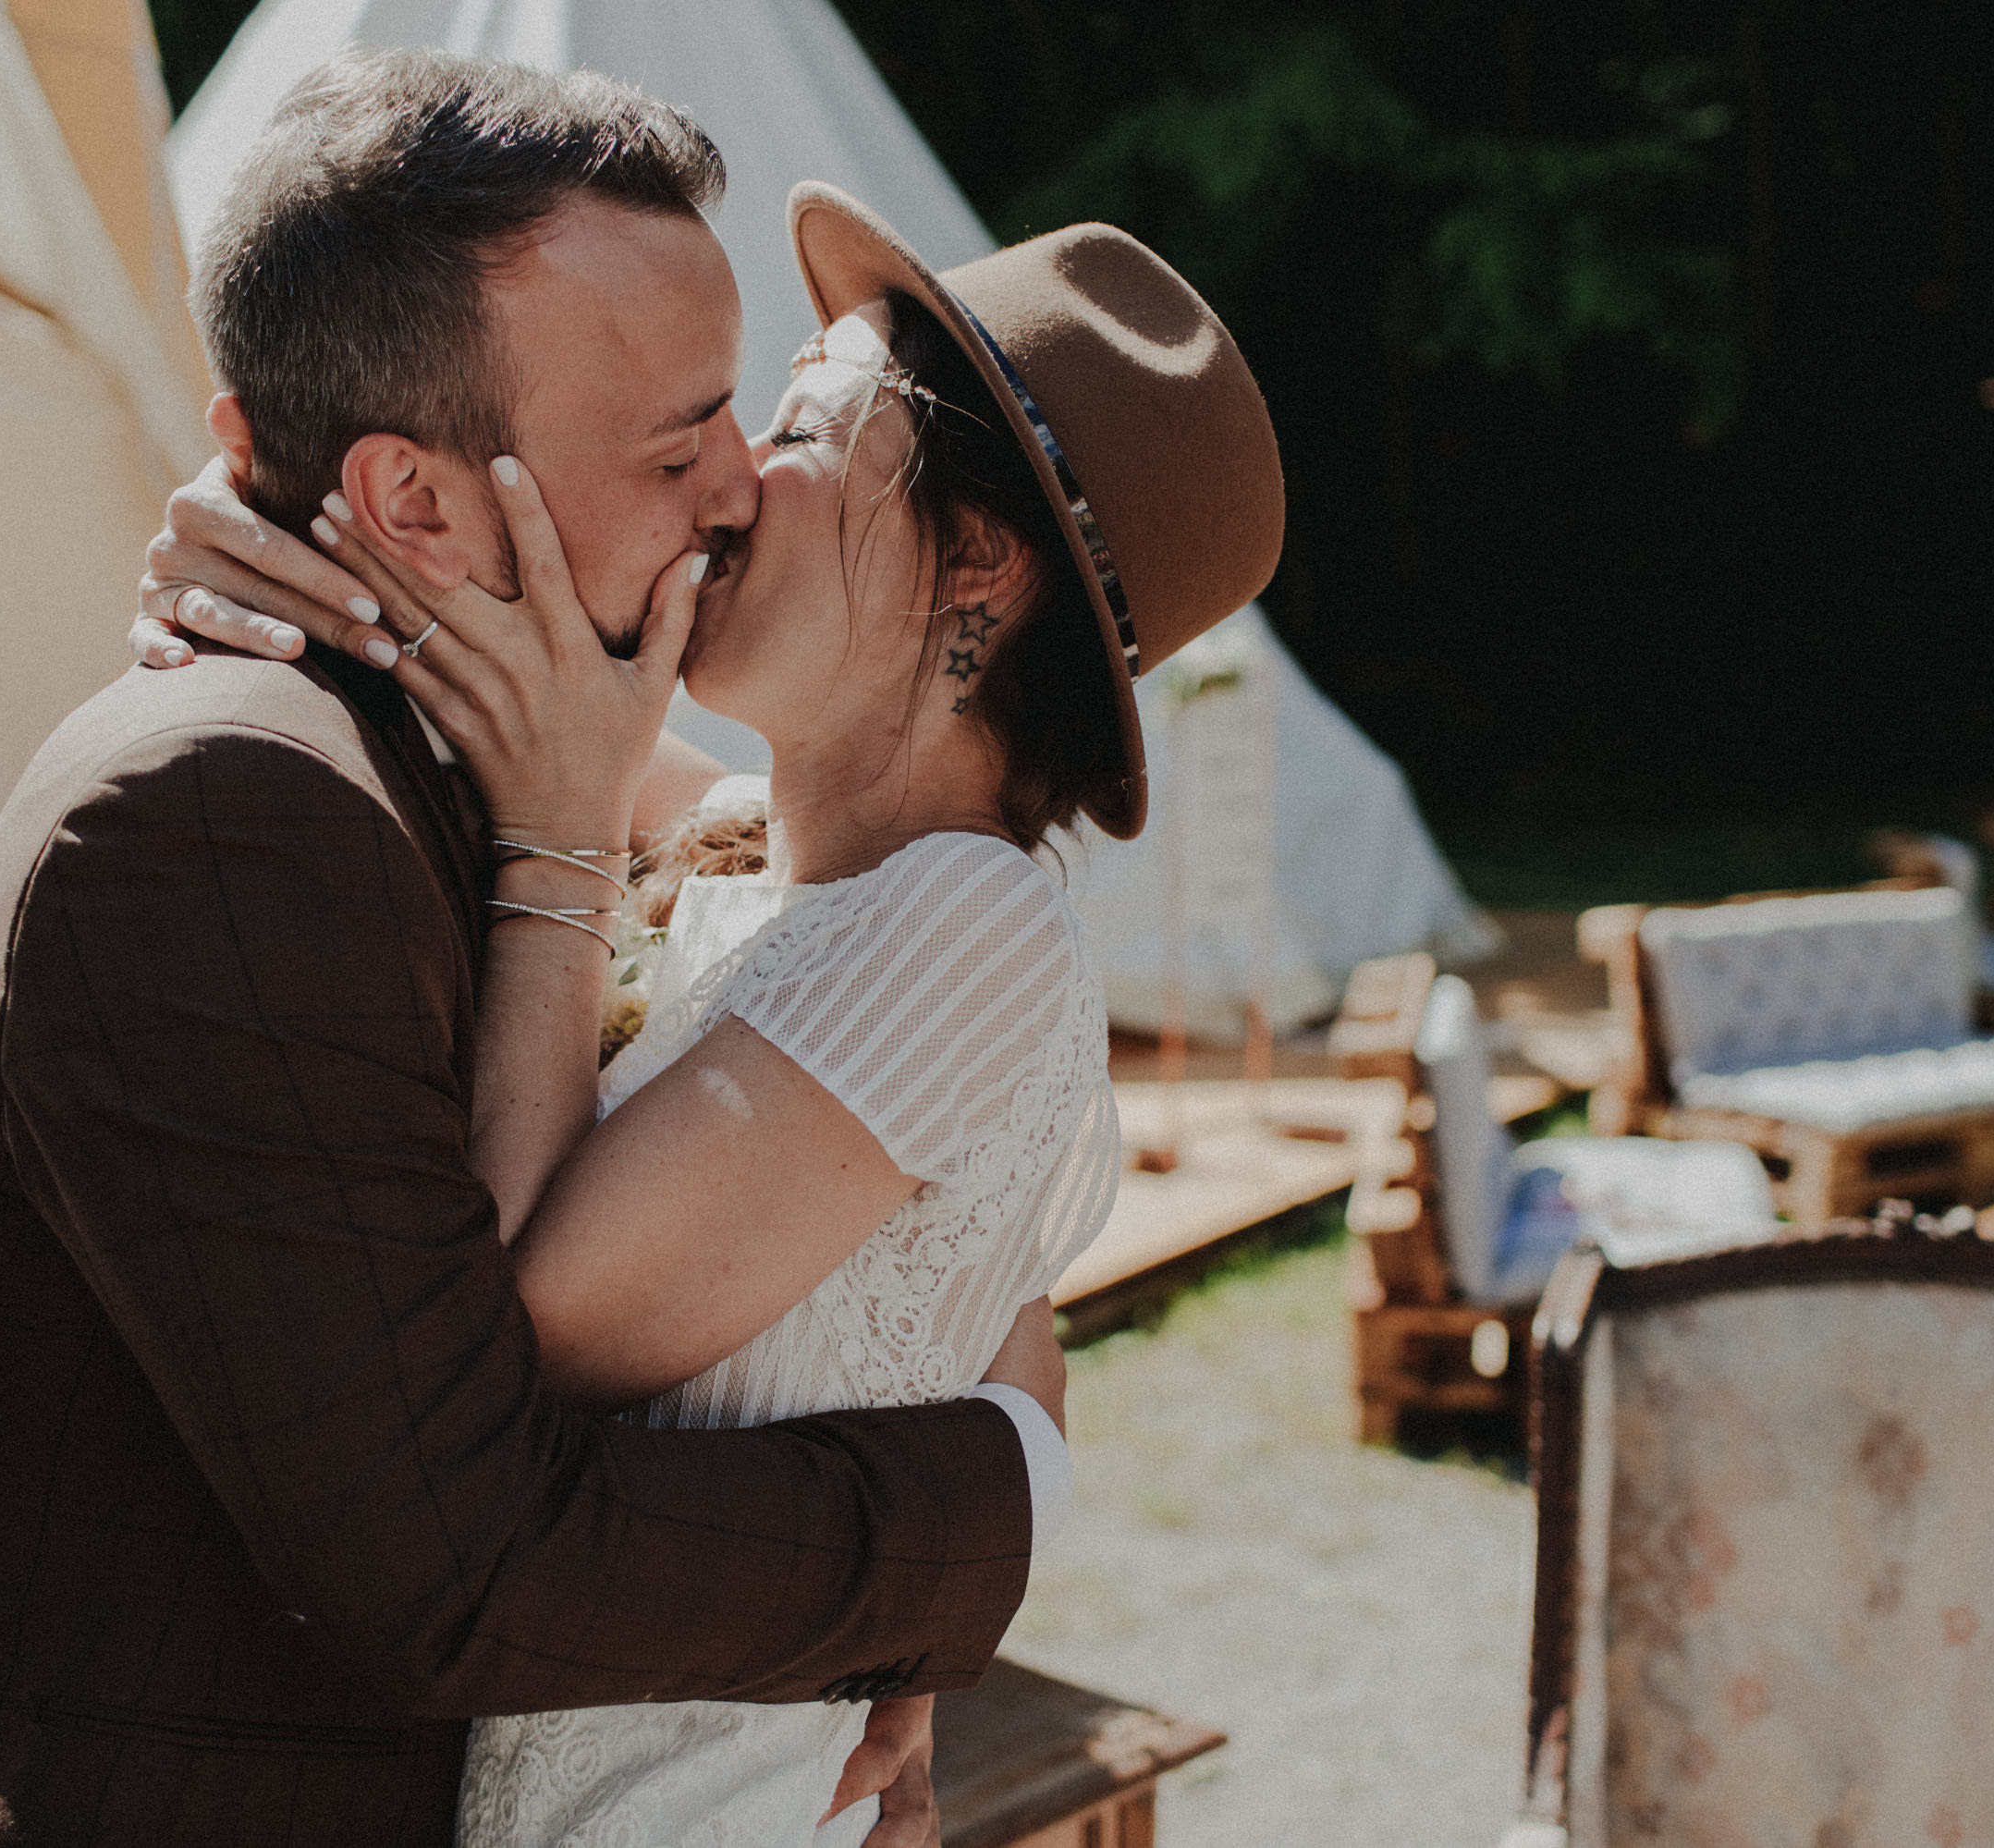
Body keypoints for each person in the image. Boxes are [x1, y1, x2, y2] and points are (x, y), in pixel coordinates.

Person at [0, 55, 1088, 1848]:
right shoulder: (223, 812)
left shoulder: (536, 747)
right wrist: (982, 1523)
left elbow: (913, 1154)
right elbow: (462, 1553)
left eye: (752, 423)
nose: (735, 492)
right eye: (679, 443)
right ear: (416, 508)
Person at [131, 87, 1284, 1848]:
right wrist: (259, 523)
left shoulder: (961, 925)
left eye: (811, 422)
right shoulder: (756, 844)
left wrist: (554, 837)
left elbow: (515, 1330)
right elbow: (999, 1332)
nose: (734, 472)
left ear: (975, 558)